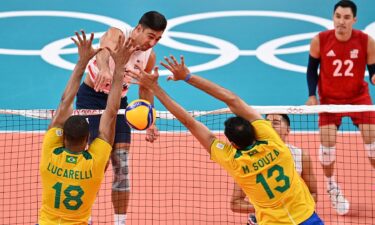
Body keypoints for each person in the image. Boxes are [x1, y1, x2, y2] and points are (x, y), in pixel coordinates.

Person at [127, 55, 324, 225]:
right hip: (308, 218)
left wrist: (155, 88)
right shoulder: (274, 143)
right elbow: (232, 99)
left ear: (233, 144)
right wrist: (187, 76)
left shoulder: (234, 161)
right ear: (255, 131)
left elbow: (189, 122)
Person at [76, 11, 167, 224]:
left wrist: (150, 120)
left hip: (119, 104)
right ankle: (84, 217)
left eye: (158, 39)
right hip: (92, 100)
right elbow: (102, 51)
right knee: (97, 165)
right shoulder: (117, 34)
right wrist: (106, 69)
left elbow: (145, 89)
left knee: (122, 166)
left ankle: (120, 221)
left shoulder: (149, 56)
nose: (152, 42)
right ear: (138, 29)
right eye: (150, 36)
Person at [38, 31, 138, 225]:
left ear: (62, 137)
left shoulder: (50, 152)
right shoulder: (94, 162)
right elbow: (111, 111)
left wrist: (82, 62)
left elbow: (64, 102)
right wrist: (119, 69)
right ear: (87, 141)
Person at [305, 0, 375, 215]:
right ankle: (331, 186)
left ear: (354, 20)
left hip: (358, 98)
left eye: (346, 18)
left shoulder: (366, 41)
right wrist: (311, 96)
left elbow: (373, 70)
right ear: (333, 17)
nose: (341, 22)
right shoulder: (319, 40)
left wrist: (374, 77)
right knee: (327, 149)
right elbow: (311, 71)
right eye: (338, 16)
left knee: (374, 148)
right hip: (329, 100)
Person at [230, 114, 318, 225]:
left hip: (299, 219)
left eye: (276, 123)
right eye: (267, 122)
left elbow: (313, 194)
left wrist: (295, 207)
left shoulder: (301, 156)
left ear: (288, 129)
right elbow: (235, 203)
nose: (270, 125)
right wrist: (266, 209)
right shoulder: (246, 161)